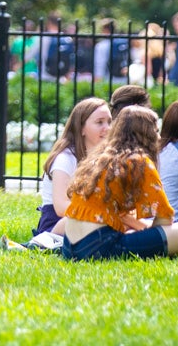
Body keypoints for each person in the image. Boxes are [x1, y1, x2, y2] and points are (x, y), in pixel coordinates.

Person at [59, 105, 178, 260]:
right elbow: (165, 218)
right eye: (156, 131)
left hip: (69, 247)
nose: (159, 138)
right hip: (98, 245)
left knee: (136, 231)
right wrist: (151, 237)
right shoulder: (139, 161)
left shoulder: (100, 157)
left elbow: (120, 215)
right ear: (146, 135)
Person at [18, 97, 111, 245]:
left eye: (109, 122)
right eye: (99, 122)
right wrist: (100, 213)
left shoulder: (105, 159)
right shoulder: (65, 159)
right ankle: (43, 244)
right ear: (81, 128)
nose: (107, 128)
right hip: (59, 223)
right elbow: (61, 207)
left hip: (95, 217)